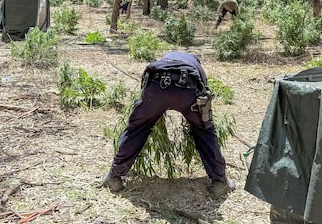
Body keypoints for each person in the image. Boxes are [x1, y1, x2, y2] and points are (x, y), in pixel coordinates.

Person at [101, 51, 235, 195]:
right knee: (205, 131)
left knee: (136, 129)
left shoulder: (165, 59)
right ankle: (219, 181)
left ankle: (114, 176)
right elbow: (204, 95)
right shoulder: (195, 65)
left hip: (155, 87)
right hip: (187, 90)